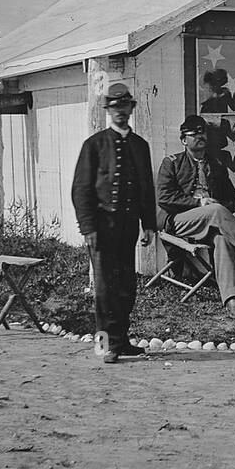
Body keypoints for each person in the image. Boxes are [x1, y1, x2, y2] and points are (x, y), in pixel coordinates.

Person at [157, 115, 235, 320]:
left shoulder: (216, 164)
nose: (200, 136)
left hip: (211, 223)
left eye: (203, 132)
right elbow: (164, 198)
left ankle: (232, 301)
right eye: (194, 134)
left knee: (223, 239)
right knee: (215, 210)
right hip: (179, 221)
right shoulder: (171, 163)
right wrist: (200, 203)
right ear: (184, 140)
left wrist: (215, 203)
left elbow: (233, 202)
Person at [71, 82, 158, 364]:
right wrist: (88, 229)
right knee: (105, 289)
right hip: (102, 228)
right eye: (115, 108)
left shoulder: (140, 146)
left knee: (125, 287)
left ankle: (122, 342)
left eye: (125, 107)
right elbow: (81, 189)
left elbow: (146, 188)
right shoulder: (94, 145)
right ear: (108, 111)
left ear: (131, 109)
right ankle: (104, 346)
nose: (120, 112)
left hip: (128, 226)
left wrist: (148, 225)